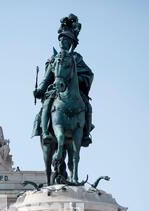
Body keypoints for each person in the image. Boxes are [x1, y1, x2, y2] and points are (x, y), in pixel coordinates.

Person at [33, 14, 94, 146]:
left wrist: (77, 80)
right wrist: (40, 89)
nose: (62, 43)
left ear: (71, 43)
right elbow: (47, 77)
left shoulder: (77, 58)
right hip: (55, 89)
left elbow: (89, 74)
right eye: (61, 40)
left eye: (66, 41)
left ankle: (86, 134)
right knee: (46, 105)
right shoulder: (54, 58)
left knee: (88, 106)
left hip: (73, 91)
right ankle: (45, 131)